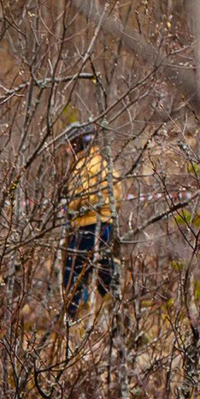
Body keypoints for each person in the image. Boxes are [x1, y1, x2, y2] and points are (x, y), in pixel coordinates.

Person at [62, 126, 120, 310]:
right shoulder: (104, 163)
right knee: (105, 270)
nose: (67, 150)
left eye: (70, 145)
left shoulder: (83, 167)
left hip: (87, 226)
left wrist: (70, 208)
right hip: (106, 225)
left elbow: (80, 197)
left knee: (73, 272)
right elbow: (117, 193)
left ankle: (71, 313)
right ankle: (114, 307)